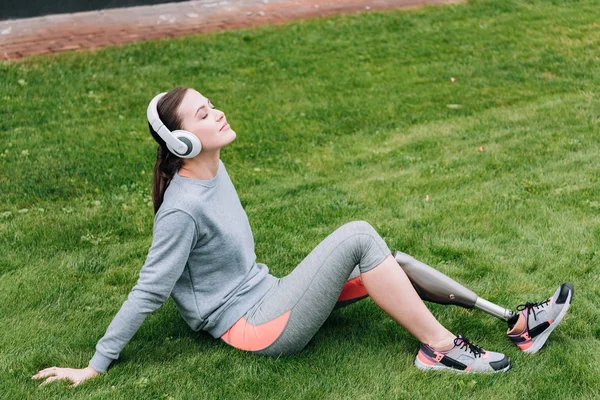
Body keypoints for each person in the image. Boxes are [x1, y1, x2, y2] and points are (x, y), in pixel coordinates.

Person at [32, 87, 573, 387]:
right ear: (181, 141)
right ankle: (439, 350)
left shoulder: (212, 171)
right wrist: (95, 365)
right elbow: (149, 290)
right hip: (253, 328)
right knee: (360, 235)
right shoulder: (181, 211)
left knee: (390, 258)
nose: (217, 110)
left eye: (210, 103)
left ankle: (518, 323)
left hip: (271, 293)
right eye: (202, 113)